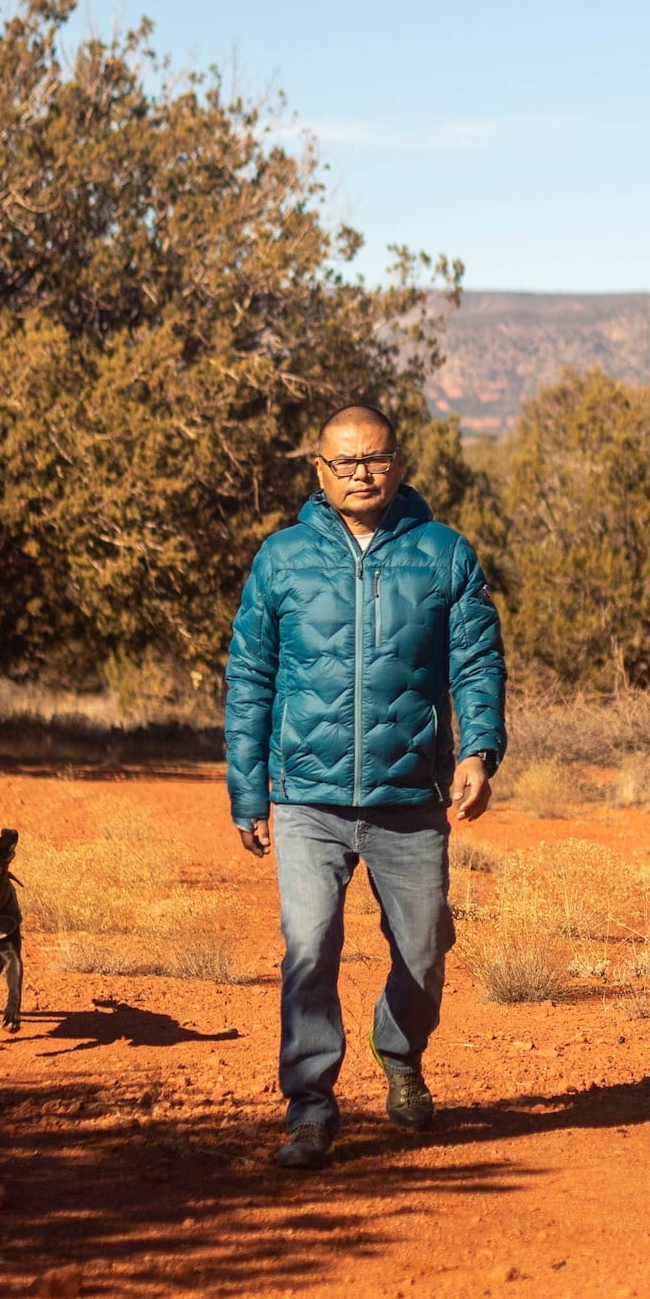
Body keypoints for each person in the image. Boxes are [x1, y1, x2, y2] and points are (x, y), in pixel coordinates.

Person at [224, 401, 506, 1170]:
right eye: (343, 462)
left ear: (400, 464)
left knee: (422, 952)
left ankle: (401, 1053)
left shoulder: (444, 554)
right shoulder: (280, 559)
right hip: (306, 797)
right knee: (308, 946)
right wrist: (248, 791)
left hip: (410, 798)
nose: (360, 473)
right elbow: (249, 675)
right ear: (318, 470)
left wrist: (478, 750)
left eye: (374, 459)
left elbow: (475, 662)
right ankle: (310, 1108)